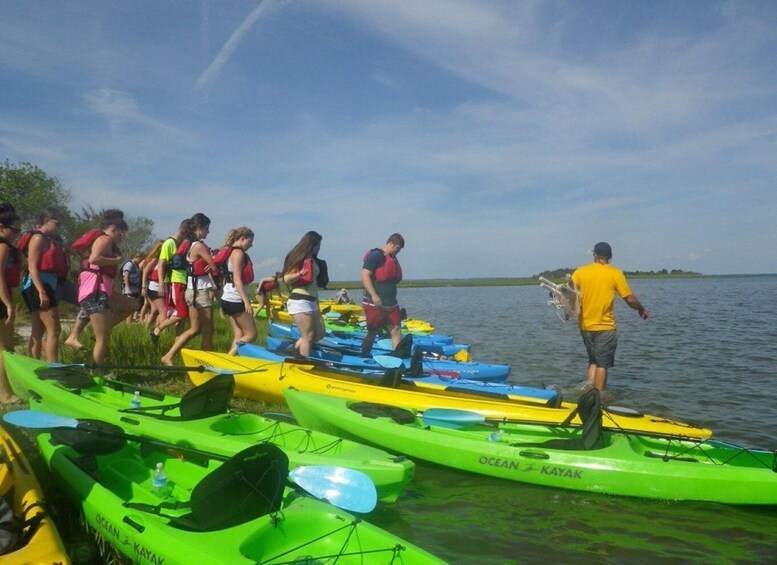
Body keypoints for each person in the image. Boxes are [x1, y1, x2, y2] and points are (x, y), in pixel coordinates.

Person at [571, 242, 649, 392]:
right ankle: (599, 397)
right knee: (602, 364)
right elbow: (630, 299)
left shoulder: (580, 272)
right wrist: (641, 309)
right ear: (610, 257)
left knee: (593, 360)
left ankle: (589, 391)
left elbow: (567, 291)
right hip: (605, 327)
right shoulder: (615, 273)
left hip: (585, 326)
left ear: (594, 254)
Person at [75, 209, 138, 364]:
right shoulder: (105, 239)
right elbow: (94, 259)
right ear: (113, 229)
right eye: (121, 233)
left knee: (133, 305)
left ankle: (103, 328)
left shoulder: (105, 240)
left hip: (103, 289)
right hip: (95, 290)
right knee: (103, 340)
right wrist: (115, 261)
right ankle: (95, 372)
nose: (122, 236)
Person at [160, 213, 217, 366]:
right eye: (207, 228)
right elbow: (214, 267)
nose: (208, 232)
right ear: (199, 228)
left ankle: (168, 355)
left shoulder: (187, 244)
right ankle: (205, 363)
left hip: (190, 290)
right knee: (208, 328)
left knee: (195, 328)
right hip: (201, 291)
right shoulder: (198, 246)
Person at [18, 207, 69, 362]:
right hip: (38, 285)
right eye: (57, 223)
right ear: (46, 221)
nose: (60, 227)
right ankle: (52, 368)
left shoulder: (49, 239)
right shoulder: (38, 238)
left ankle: (35, 365)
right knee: (54, 330)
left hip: (43, 284)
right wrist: (41, 291)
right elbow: (32, 265)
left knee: (38, 331)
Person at [149, 219, 194, 345]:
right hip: (174, 281)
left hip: (182, 280)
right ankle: (157, 330)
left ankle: (178, 343)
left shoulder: (182, 244)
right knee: (181, 313)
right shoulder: (169, 243)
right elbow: (162, 263)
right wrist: (161, 284)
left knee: (183, 318)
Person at [282, 231, 325, 357]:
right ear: (311, 244)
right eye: (317, 245)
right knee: (309, 335)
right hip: (300, 300)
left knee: (320, 333)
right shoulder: (299, 258)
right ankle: (304, 362)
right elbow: (286, 278)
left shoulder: (313, 260)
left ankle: (291, 351)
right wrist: (299, 274)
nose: (319, 248)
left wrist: (318, 305)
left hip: (312, 300)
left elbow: (314, 285)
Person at [360, 233, 405, 356]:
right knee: (373, 331)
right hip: (374, 302)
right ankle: (363, 355)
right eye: (397, 248)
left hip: (391, 302)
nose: (398, 252)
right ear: (391, 244)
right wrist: (374, 295)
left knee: (396, 329)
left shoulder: (392, 258)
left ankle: (397, 358)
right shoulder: (376, 256)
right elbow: (365, 275)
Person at [218, 227, 257, 355]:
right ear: (242, 238)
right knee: (251, 334)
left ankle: (232, 359)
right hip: (236, 299)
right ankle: (229, 357)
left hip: (227, 297)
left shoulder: (228, 252)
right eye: (250, 242)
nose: (251, 245)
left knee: (239, 333)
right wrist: (246, 302)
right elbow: (238, 280)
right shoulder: (238, 253)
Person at [0, 204, 23, 404]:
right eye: (14, 230)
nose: (17, 234)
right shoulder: (3, 247)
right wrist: (8, 304)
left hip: (4, 294)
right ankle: (5, 394)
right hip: (1, 297)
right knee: (4, 348)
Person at [140, 240, 165, 329]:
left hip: (154, 286)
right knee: (163, 311)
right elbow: (145, 272)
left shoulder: (162, 260)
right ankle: (161, 331)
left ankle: (146, 329)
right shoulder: (155, 260)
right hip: (154, 287)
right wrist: (143, 287)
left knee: (154, 310)